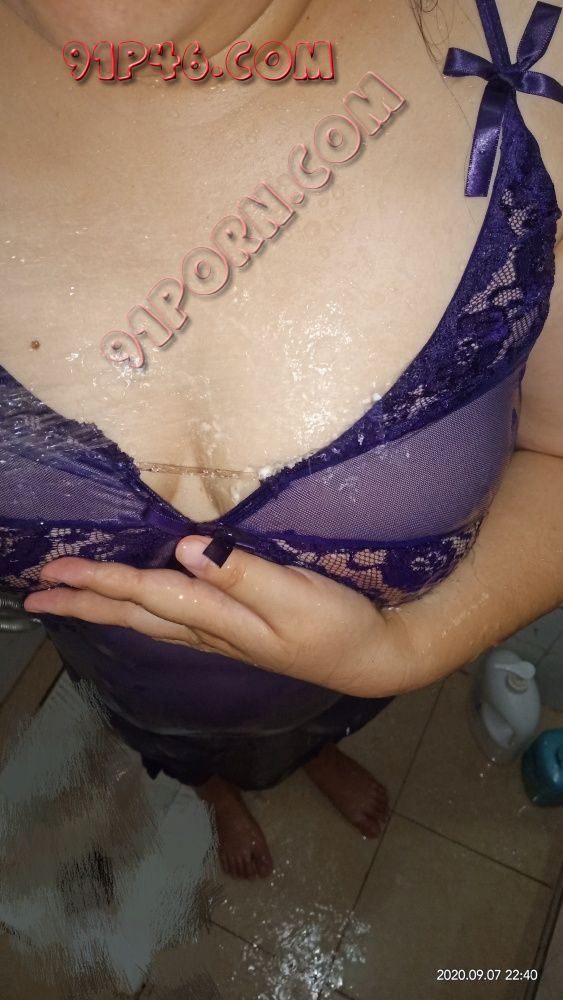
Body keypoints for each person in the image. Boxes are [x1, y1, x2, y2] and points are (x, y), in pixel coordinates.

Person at [1, 0, 562, 882]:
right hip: (117, 671)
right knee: (162, 735)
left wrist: (399, 652)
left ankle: (302, 757)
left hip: (327, 687)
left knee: (307, 723)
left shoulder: (535, 51)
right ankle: (209, 786)